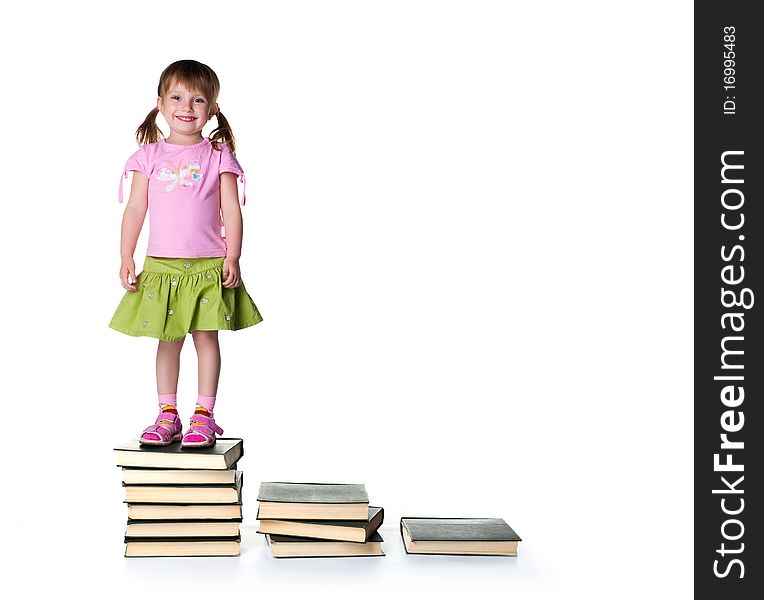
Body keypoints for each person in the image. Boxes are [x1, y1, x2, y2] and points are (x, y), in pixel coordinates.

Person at [109, 59, 263, 448]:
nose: (187, 107)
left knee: (206, 338)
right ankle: (167, 414)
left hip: (209, 262)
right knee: (168, 340)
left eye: (198, 100)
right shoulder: (148, 157)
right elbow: (135, 208)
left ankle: (204, 415)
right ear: (160, 103)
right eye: (177, 97)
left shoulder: (217, 156)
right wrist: (127, 255)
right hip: (161, 263)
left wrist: (233, 256)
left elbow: (232, 209)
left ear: (211, 110)